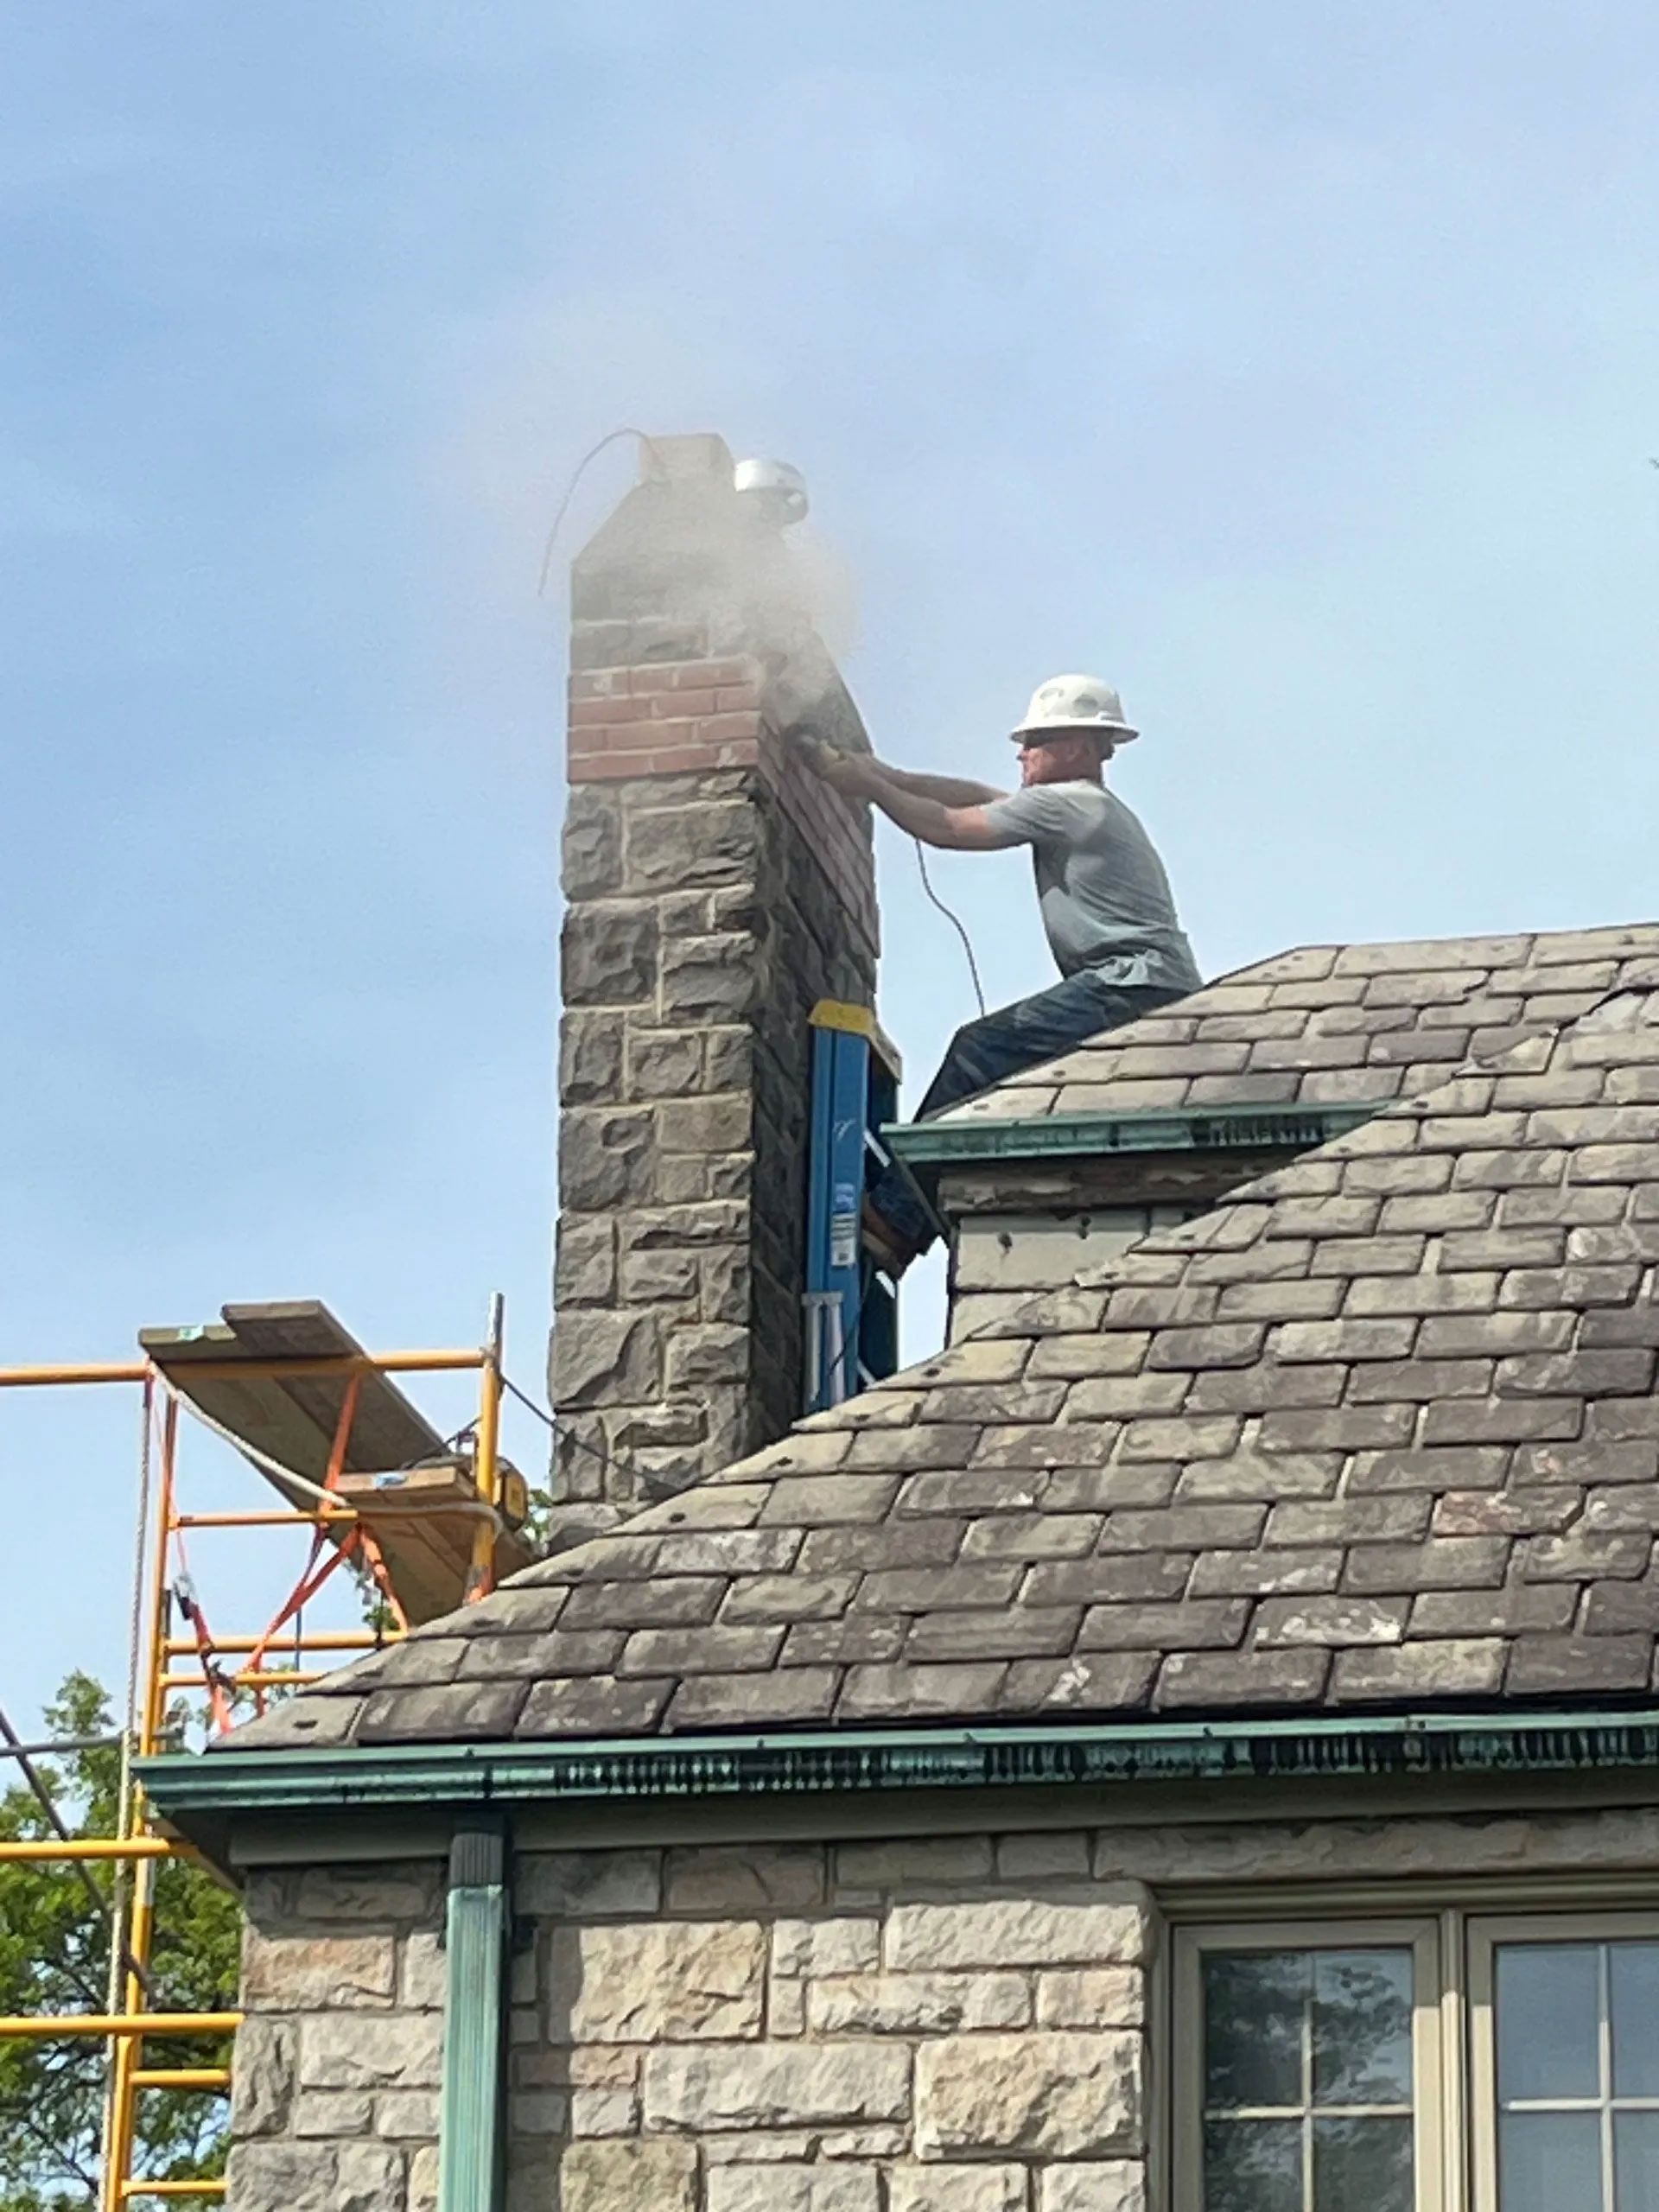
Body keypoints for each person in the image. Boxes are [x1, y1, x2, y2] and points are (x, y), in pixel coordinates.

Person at [805, 671, 1202, 1273]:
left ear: (1073, 747)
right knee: (1004, 1068)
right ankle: (905, 1214)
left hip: (1132, 983)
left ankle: (894, 1216)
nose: (1022, 753)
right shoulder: (1078, 804)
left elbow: (949, 826)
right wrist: (885, 776)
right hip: (1145, 984)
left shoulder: (1071, 804)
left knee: (979, 1051)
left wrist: (875, 790)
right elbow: (977, 798)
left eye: (1034, 742)